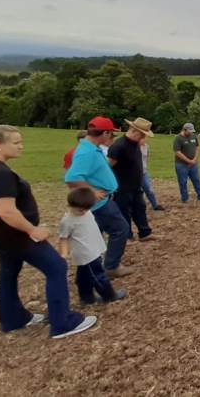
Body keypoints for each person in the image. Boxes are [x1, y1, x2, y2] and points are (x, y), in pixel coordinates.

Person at [0, 124, 97, 339]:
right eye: (16, 142)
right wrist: (33, 230)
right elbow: (6, 211)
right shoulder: (0, 174)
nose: (21, 146)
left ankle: (13, 319)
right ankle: (62, 323)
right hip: (16, 235)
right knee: (56, 267)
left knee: (8, 273)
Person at [65, 116, 133, 279]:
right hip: (99, 203)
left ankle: (89, 272)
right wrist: (93, 191)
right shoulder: (86, 152)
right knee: (121, 229)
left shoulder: (91, 148)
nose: (113, 138)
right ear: (105, 133)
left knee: (94, 236)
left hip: (102, 201)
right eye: (111, 134)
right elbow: (72, 177)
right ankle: (111, 266)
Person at [58, 187, 127, 305]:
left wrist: (95, 195)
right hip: (86, 254)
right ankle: (109, 295)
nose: (83, 212)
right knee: (98, 276)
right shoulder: (68, 221)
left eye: (86, 209)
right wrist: (63, 254)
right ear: (70, 205)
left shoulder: (86, 210)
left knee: (83, 277)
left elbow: (88, 197)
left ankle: (86, 297)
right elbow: (63, 238)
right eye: (80, 210)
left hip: (94, 249)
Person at [108, 117, 155, 241]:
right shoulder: (119, 146)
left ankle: (144, 232)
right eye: (142, 135)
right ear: (134, 131)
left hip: (135, 185)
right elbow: (108, 167)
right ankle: (127, 235)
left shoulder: (135, 144)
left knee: (140, 208)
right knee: (124, 211)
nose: (143, 138)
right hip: (122, 186)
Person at [173, 122, 200, 203]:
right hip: (181, 164)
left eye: (192, 131)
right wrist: (189, 161)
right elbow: (177, 152)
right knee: (183, 182)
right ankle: (185, 198)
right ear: (184, 130)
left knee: (196, 180)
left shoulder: (193, 136)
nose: (191, 133)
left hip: (193, 163)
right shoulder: (178, 138)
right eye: (189, 131)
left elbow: (197, 147)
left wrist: (194, 159)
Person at [139, 136, 164, 211]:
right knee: (138, 192)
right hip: (135, 173)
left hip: (144, 172)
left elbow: (147, 157)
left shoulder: (146, 146)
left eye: (144, 138)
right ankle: (139, 207)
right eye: (141, 138)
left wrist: (145, 167)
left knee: (149, 189)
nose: (143, 140)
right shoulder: (134, 147)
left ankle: (155, 205)